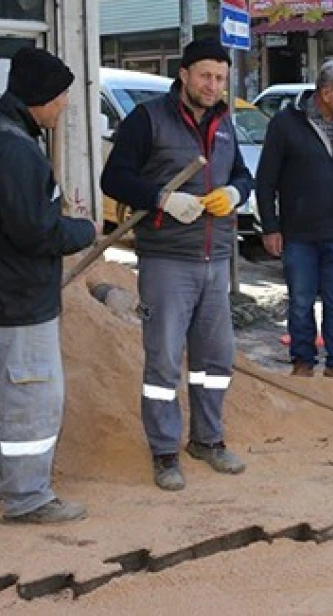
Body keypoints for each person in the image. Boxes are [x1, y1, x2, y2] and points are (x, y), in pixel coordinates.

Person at [0, 47, 95, 523]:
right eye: (62, 95)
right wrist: (83, 230)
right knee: (33, 397)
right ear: (39, 97)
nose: (65, 104)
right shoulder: (17, 151)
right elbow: (35, 233)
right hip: (14, 299)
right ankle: (28, 498)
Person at [100, 39, 254, 491]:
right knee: (164, 363)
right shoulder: (149, 119)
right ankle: (164, 451)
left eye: (221, 78)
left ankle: (207, 440)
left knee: (214, 359)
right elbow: (115, 177)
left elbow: (242, 175)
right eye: (205, 76)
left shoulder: (225, 123)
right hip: (167, 259)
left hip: (215, 258)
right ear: (184, 75)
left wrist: (235, 194)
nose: (213, 86)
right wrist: (163, 198)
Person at [255, 59, 333, 391]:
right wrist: (270, 227)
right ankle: (303, 362)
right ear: (325, 92)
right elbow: (266, 180)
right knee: (302, 300)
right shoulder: (285, 124)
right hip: (299, 234)